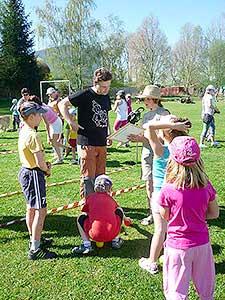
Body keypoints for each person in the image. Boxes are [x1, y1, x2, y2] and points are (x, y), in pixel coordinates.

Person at [158, 136, 219, 299]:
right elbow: (214, 213)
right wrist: (197, 214)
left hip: (177, 247)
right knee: (206, 291)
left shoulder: (167, 189)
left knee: (176, 291)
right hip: (202, 245)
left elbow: (165, 215)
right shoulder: (206, 185)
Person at [139, 116, 191, 275]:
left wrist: (169, 124)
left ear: (165, 133)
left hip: (161, 197)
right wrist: (177, 126)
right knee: (174, 228)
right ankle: (175, 257)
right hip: (179, 196)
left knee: (160, 230)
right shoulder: (183, 150)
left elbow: (149, 126)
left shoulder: (160, 149)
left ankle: (152, 262)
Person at [58, 67, 113, 199]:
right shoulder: (85, 94)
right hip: (87, 143)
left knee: (101, 177)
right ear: (95, 83)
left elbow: (105, 116)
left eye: (108, 86)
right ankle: (87, 205)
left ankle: (100, 203)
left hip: (101, 142)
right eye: (103, 87)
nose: (106, 90)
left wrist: (109, 133)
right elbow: (62, 104)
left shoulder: (106, 97)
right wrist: (71, 122)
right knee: (88, 177)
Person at [18, 102, 57, 260]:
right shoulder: (34, 135)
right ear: (31, 116)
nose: (42, 117)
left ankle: (34, 237)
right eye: (39, 114)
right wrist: (46, 169)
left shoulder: (24, 129)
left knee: (31, 209)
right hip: (33, 174)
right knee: (41, 211)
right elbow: (40, 163)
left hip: (25, 172)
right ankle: (35, 248)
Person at [128, 85, 169, 225]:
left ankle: (165, 212)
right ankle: (152, 213)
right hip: (146, 154)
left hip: (159, 156)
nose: (144, 101)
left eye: (146, 99)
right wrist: (134, 136)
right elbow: (144, 134)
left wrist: (142, 138)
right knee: (149, 184)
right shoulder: (145, 116)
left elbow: (163, 138)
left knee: (161, 185)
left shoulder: (164, 114)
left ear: (154, 99)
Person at [72, 175, 131, 254]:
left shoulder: (89, 198)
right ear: (110, 188)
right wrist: (127, 221)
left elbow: (85, 212)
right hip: (112, 234)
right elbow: (120, 213)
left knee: (81, 217)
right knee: (119, 210)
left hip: (94, 235)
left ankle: (86, 245)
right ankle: (116, 240)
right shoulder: (112, 200)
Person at [28, 95, 70, 165]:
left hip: (55, 123)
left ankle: (60, 159)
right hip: (56, 121)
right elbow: (51, 109)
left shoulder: (41, 110)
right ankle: (65, 149)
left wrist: (48, 136)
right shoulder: (43, 104)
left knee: (53, 142)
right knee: (53, 142)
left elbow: (46, 124)